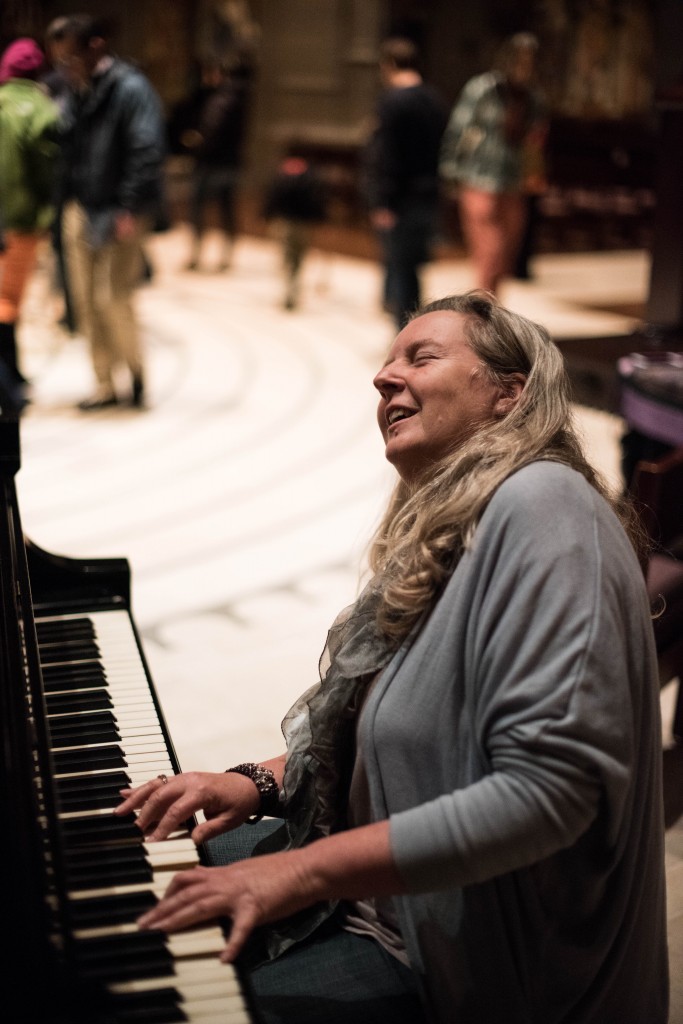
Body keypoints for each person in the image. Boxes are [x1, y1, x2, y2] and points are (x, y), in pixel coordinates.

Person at [116, 291, 668, 1024]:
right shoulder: (452, 537)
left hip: (477, 979)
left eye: (421, 356)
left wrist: (297, 873)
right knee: (131, 897)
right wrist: (258, 782)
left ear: (509, 394)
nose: (383, 377)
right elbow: (413, 748)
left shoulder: (545, 504)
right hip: (392, 920)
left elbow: (547, 794)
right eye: (385, 360)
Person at [49, 13, 166, 411]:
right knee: (84, 300)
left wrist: (129, 205)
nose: (66, 65)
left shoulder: (131, 88)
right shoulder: (77, 89)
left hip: (118, 209)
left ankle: (134, 377)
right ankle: (103, 384)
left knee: (112, 297)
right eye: (60, 59)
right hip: (80, 206)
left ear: (95, 47)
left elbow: (147, 148)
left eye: (71, 57)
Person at [440, 33, 546, 294]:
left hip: (513, 182)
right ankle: (484, 309)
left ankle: (491, 310)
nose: (524, 67)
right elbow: (458, 131)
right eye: (520, 60)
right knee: (490, 250)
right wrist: (450, 170)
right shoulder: (482, 90)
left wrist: (534, 173)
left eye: (530, 62)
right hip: (479, 178)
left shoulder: (534, 98)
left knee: (505, 258)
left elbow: (534, 142)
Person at [364, 37, 448, 330]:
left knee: (400, 269)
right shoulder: (434, 100)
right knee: (412, 267)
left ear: (388, 65)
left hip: (400, 199)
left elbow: (388, 156)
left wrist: (384, 201)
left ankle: (406, 338)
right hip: (428, 195)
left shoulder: (392, 100)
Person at [0, 37, 60, 411]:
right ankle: (12, 378)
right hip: (25, 223)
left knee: (3, 302)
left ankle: (10, 382)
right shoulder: (45, 109)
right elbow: (50, 172)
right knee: (10, 301)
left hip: (2, 220)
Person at [183, 59, 252, 273]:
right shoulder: (216, 96)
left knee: (218, 207)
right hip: (217, 161)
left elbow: (214, 130)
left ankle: (217, 254)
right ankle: (204, 252)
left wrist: (199, 142)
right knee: (215, 208)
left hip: (218, 162)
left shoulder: (227, 98)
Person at [263, 154, 327, 311]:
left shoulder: (285, 177)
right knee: (297, 261)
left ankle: (290, 293)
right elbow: (318, 204)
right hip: (304, 226)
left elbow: (273, 198)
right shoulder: (311, 179)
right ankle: (292, 292)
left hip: (288, 224)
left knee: (289, 260)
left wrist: (266, 214)